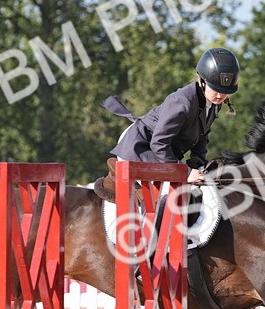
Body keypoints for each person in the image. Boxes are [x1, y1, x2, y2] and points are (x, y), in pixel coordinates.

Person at [95, 47, 239, 201]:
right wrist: (186, 172)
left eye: (225, 91)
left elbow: (202, 136)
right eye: (215, 89)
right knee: (172, 199)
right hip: (140, 150)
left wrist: (200, 164)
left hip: (161, 154)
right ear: (202, 81)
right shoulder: (182, 102)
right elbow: (159, 143)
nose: (220, 95)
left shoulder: (214, 103)